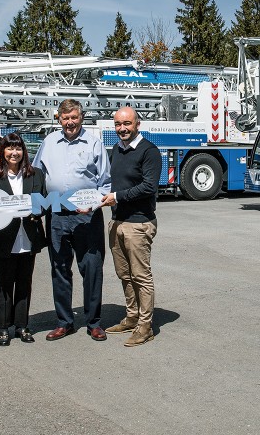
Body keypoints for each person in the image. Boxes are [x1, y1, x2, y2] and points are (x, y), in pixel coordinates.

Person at [32, 99, 111, 342]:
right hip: (56, 215)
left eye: (74, 117)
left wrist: (94, 203)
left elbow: (105, 182)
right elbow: (37, 175)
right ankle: (64, 322)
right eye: (65, 118)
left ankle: (94, 323)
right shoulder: (48, 143)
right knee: (60, 269)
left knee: (92, 269)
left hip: (86, 216)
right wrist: (37, 206)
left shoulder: (94, 143)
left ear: (81, 118)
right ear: (59, 119)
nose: (70, 122)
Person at [0, 133, 48, 346]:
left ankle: (22, 326)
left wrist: (36, 211)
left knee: (24, 282)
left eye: (18, 148)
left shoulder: (36, 174)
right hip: (3, 237)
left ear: (24, 152)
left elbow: (43, 202)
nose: (14, 153)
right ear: (2, 152)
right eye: (9, 148)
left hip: (28, 236)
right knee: (5, 283)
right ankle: (3, 327)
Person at [100, 106, 160, 347]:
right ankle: (132, 316)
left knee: (140, 276)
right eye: (118, 124)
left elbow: (149, 186)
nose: (122, 129)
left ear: (138, 124)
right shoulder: (116, 149)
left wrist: (117, 197)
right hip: (117, 221)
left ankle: (145, 327)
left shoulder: (149, 151)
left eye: (127, 124)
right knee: (124, 274)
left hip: (139, 223)